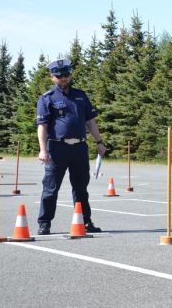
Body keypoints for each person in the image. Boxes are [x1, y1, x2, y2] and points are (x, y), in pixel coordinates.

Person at [36, 58, 106, 235]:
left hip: (79, 148)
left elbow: (90, 121)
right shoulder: (47, 98)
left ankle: (85, 222)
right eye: (59, 76)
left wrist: (99, 142)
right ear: (52, 77)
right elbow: (42, 126)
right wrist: (43, 150)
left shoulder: (80, 96)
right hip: (57, 149)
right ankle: (44, 223)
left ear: (70, 75)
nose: (63, 79)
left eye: (66, 75)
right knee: (51, 188)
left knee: (81, 188)